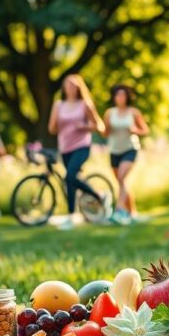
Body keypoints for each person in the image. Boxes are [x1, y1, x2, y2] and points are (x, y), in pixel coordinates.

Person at [48, 74, 108, 230]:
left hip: (82, 146)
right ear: (63, 88)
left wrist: (85, 127)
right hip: (65, 147)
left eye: (74, 85)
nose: (70, 88)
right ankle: (71, 216)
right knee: (71, 181)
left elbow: (99, 126)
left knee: (69, 176)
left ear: (79, 88)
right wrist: (58, 123)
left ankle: (99, 196)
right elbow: (52, 129)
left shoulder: (84, 104)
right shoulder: (58, 105)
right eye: (67, 85)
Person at [102, 85, 149, 225]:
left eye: (123, 95)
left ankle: (119, 211)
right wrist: (107, 127)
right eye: (118, 95)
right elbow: (104, 133)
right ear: (114, 97)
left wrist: (135, 130)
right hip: (114, 150)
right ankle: (133, 213)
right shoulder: (109, 113)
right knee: (122, 183)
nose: (120, 97)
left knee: (122, 178)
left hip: (130, 148)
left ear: (127, 97)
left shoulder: (133, 112)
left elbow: (145, 130)